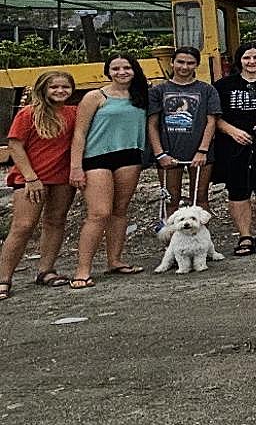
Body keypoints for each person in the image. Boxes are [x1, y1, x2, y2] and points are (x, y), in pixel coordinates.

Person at [69, 53, 150, 287]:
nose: (121, 72)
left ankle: (115, 260)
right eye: (116, 68)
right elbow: (79, 132)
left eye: (127, 67)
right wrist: (76, 166)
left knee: (120, 210)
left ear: (134, 70)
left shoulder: (141, 96)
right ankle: (82, 269)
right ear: (108, 71)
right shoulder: (95, 96)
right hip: (97, 157)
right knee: (99, 213)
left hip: (129, 155)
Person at [0, 72, 78, 300]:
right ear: (44, 89)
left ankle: (46, 269)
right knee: (23, 226)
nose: (60, 91)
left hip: (61, 177)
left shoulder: (73, 113)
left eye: (65, 86)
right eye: (54, 87)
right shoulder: (28, 114)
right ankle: (4, 277)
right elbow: (15, 146)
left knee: (56, 221)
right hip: (30, 178)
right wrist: (31, 178)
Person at [212, 42, 256, 256]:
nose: (251, 62)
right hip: (233, 145)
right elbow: (214, 117)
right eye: (246, 58)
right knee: (237, 189)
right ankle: (244, 235)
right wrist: (232, 131)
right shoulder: (223, 86)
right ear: (239, 61)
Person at [148, 46, 221, 215]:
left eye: (190, 63)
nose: (184, 67)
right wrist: (160, 155)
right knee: (171, 198)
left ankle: (202, 239)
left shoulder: (207, 90)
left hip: (200, 152)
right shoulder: (158, 91)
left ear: (196, 65)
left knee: (200, 197)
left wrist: (202, 151)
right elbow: (152, 124)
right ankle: (173, 238)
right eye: (180, 62)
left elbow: (211, 122)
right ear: (172, 62)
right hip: (169, 152)